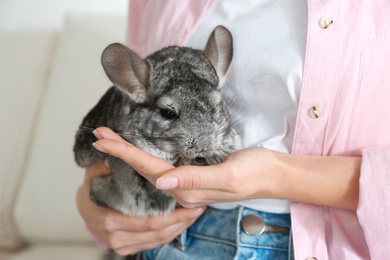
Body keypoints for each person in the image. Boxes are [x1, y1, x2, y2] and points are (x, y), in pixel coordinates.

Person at [76, 0, 390, 259]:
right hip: (173, 243)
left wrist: (279, 176)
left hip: (332, 247)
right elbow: (131, 115)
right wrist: (101, 205)